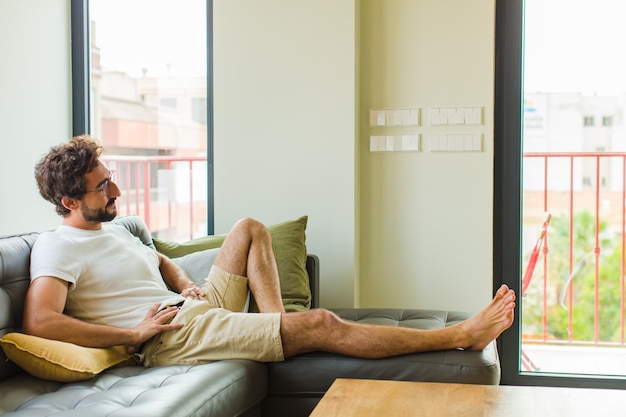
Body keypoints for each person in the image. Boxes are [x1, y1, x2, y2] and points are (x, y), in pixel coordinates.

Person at [24, 135, 516, 367]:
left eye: (110, 181)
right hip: (166, 338)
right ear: (69, 201)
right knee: (323, 322)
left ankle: (275, 329)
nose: (115, 193)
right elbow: (40, 323)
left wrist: (184, 284)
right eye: (101, 187)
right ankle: (460, 334)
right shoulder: (56, 246)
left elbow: (159, 259)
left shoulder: (117, 228)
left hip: (191, 309)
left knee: (248, 228)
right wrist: (132, 333)